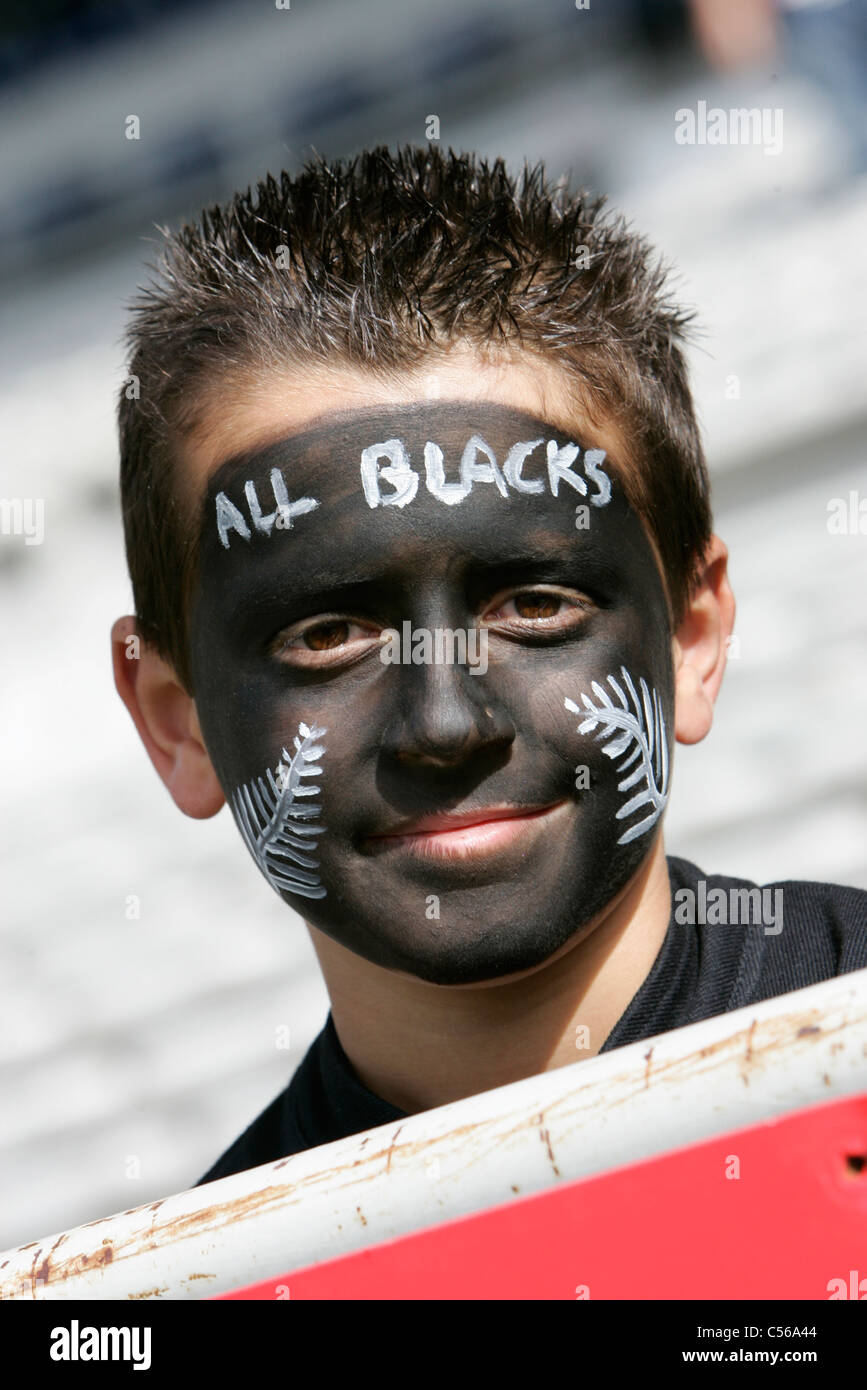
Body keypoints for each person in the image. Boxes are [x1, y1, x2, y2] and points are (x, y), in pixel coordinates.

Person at [109, 145, 867, 1187]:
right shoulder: (185, 1288)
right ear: (176, 720)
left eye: (535, 605)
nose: (446, 722)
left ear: (693, 636)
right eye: (329, 633)